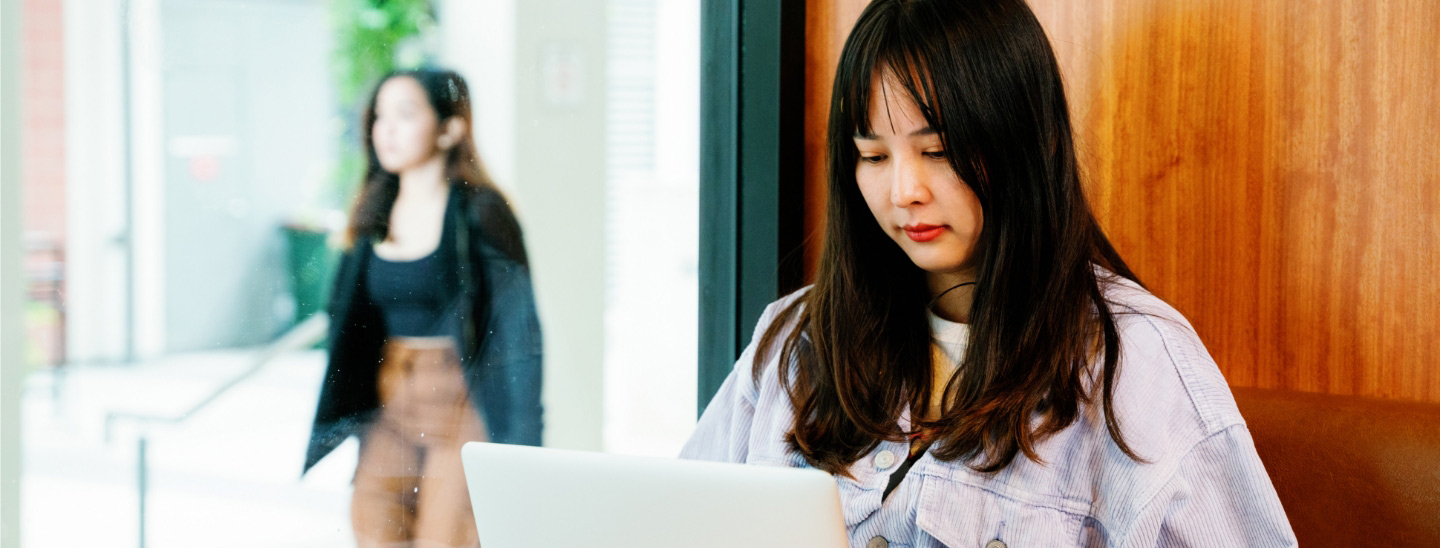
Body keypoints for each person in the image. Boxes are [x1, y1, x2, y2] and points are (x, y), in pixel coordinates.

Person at [680, 1, 1296, 546]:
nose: (904, 191)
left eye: (938, 151)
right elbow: (674, 521)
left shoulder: (1134, 361)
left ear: (1025, 143)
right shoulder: (797, 340)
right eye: (872, 155)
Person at [303, 68, 543, 548]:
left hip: (462, 398)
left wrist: (524, 441)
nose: (385, 129)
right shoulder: (373, 212)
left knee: (448, 533)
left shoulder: (482, 213)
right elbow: (347, 320)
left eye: (405, 114)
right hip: (390, 393)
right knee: (372, 517)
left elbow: (519, 334)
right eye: (379, 116)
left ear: (450, 129)